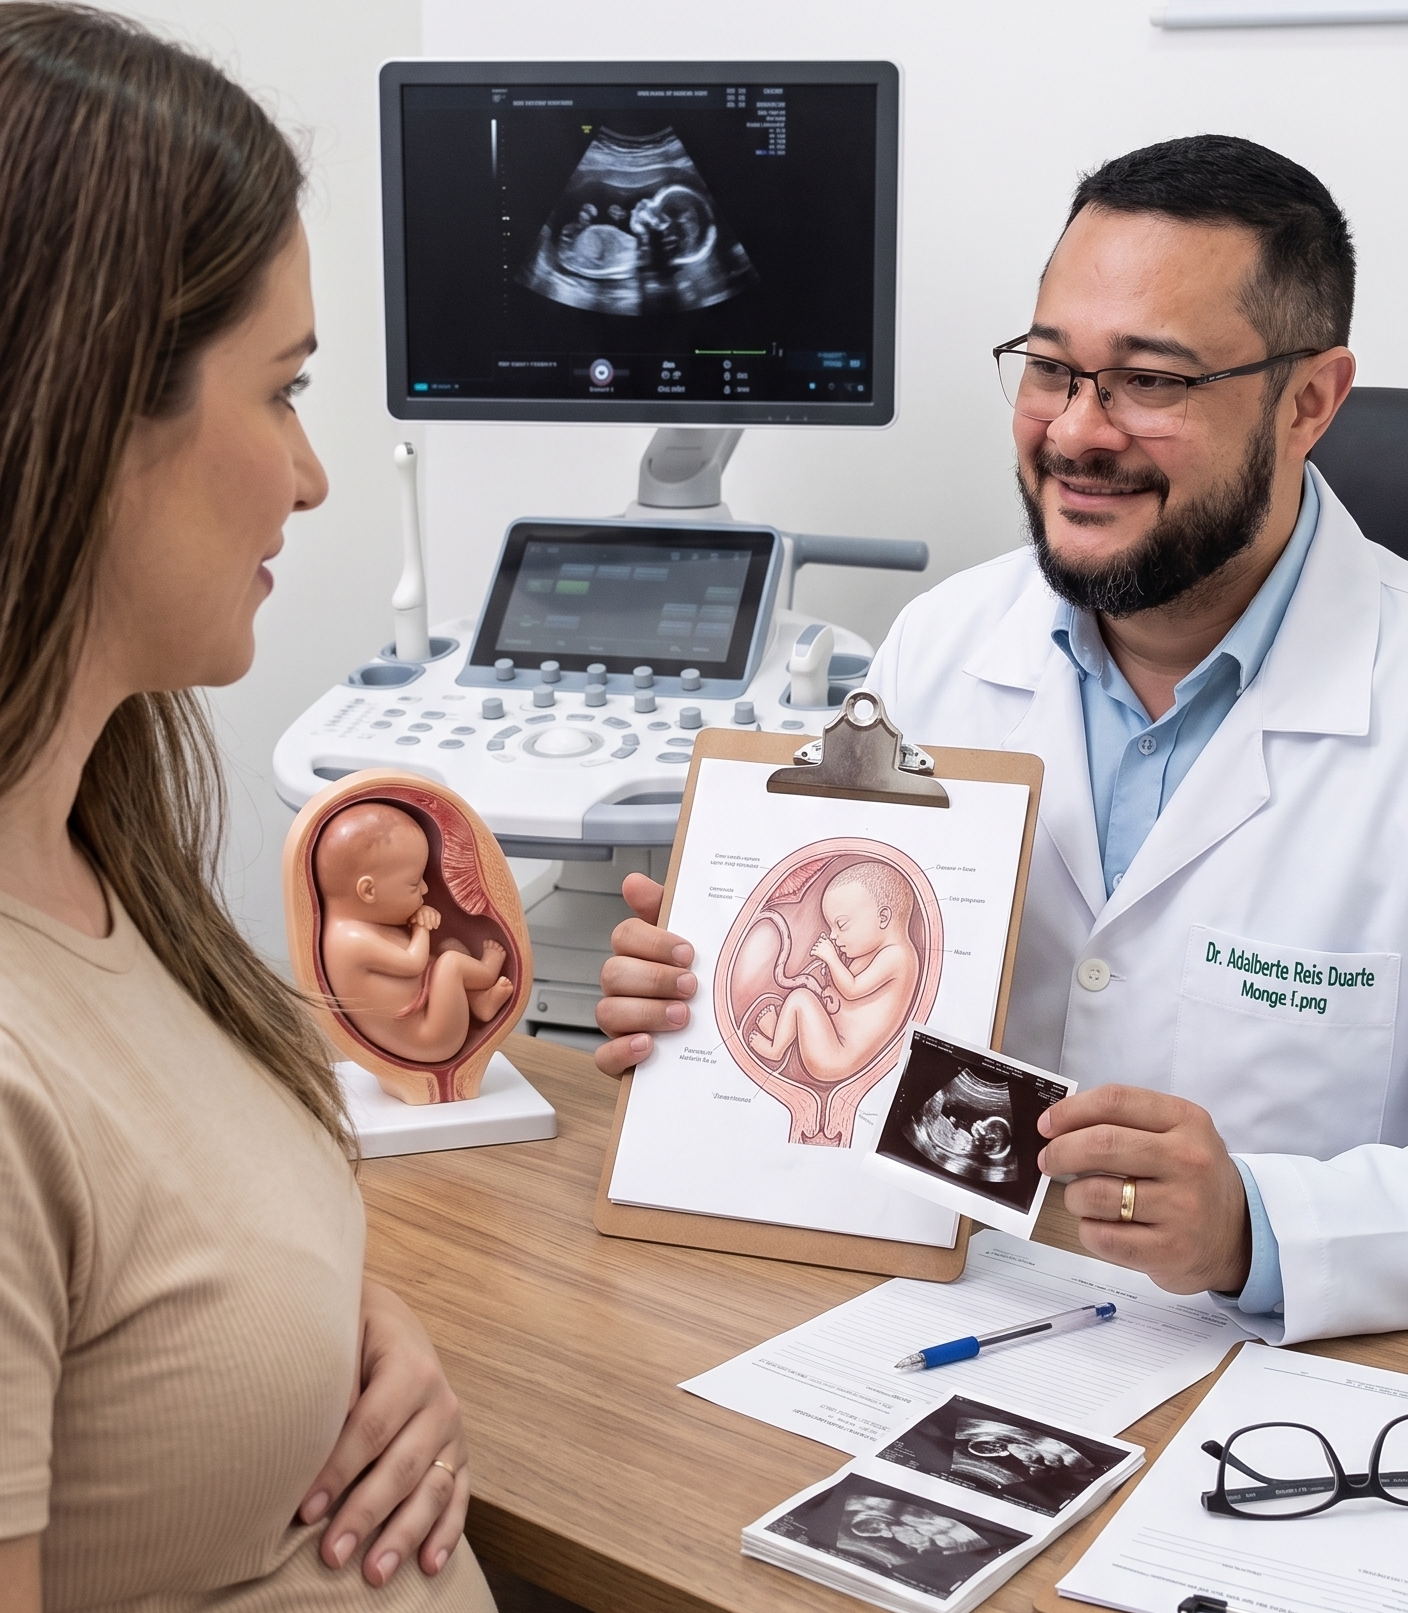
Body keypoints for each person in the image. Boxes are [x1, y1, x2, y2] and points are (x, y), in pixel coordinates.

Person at [597, 133, 1408, 1347]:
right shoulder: (939, 645)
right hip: (940, 1320)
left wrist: (1260, 1223)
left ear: (1308, 403)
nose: (1075, 431)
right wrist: (695, 1007)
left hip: (1275, 1382)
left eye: (1149, 380)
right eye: (1049, 367)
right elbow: (850, 1025)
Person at [0, 8, 495, 1607]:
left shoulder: (103, 857)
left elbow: (138, 1255)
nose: (311, 474)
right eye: (282, 391)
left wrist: (329, 1331)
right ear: (84, 407)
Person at [315, 802, 514, 1062]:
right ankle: (486, 973)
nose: (425, 889)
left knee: (448, 947)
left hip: (432, 1019)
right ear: (369, 891)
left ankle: (479, 1002)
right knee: (451, 963)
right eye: (413, 884)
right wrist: (421, 928)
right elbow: (413, 963)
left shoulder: (363, 925)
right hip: (429, 1039)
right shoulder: (350, 940)